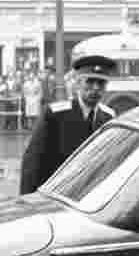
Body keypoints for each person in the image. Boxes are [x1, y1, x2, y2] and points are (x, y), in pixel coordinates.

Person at [19, 54, 117, 194]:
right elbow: (33, 162)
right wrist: (29, 201)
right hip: (58, 196)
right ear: (78, 83)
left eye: (101, 83)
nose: (95, 88)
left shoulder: (108, 117)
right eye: (90, 82)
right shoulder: (55, 115)